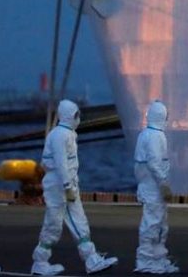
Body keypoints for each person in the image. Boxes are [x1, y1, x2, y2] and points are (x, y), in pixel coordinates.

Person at [31, 99, 118, 276]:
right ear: (70, 116)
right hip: (60, 186)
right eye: (76, 115)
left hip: (65, 184)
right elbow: (61, 163)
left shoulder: (64, 134)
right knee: (55, 223)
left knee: (78, 220)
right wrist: (67, 186)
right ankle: (41, 262)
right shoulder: (61, 135)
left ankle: (90, 258)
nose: (79, 118)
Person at [134, 100, 179, 274]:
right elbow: (154, 162)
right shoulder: (155, 136)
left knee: (159, 223)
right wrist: (163, 183)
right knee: (152, 223)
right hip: (153, 186)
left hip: (151, 185)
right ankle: (145, 259)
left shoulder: (147, 134)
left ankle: (157, 257)